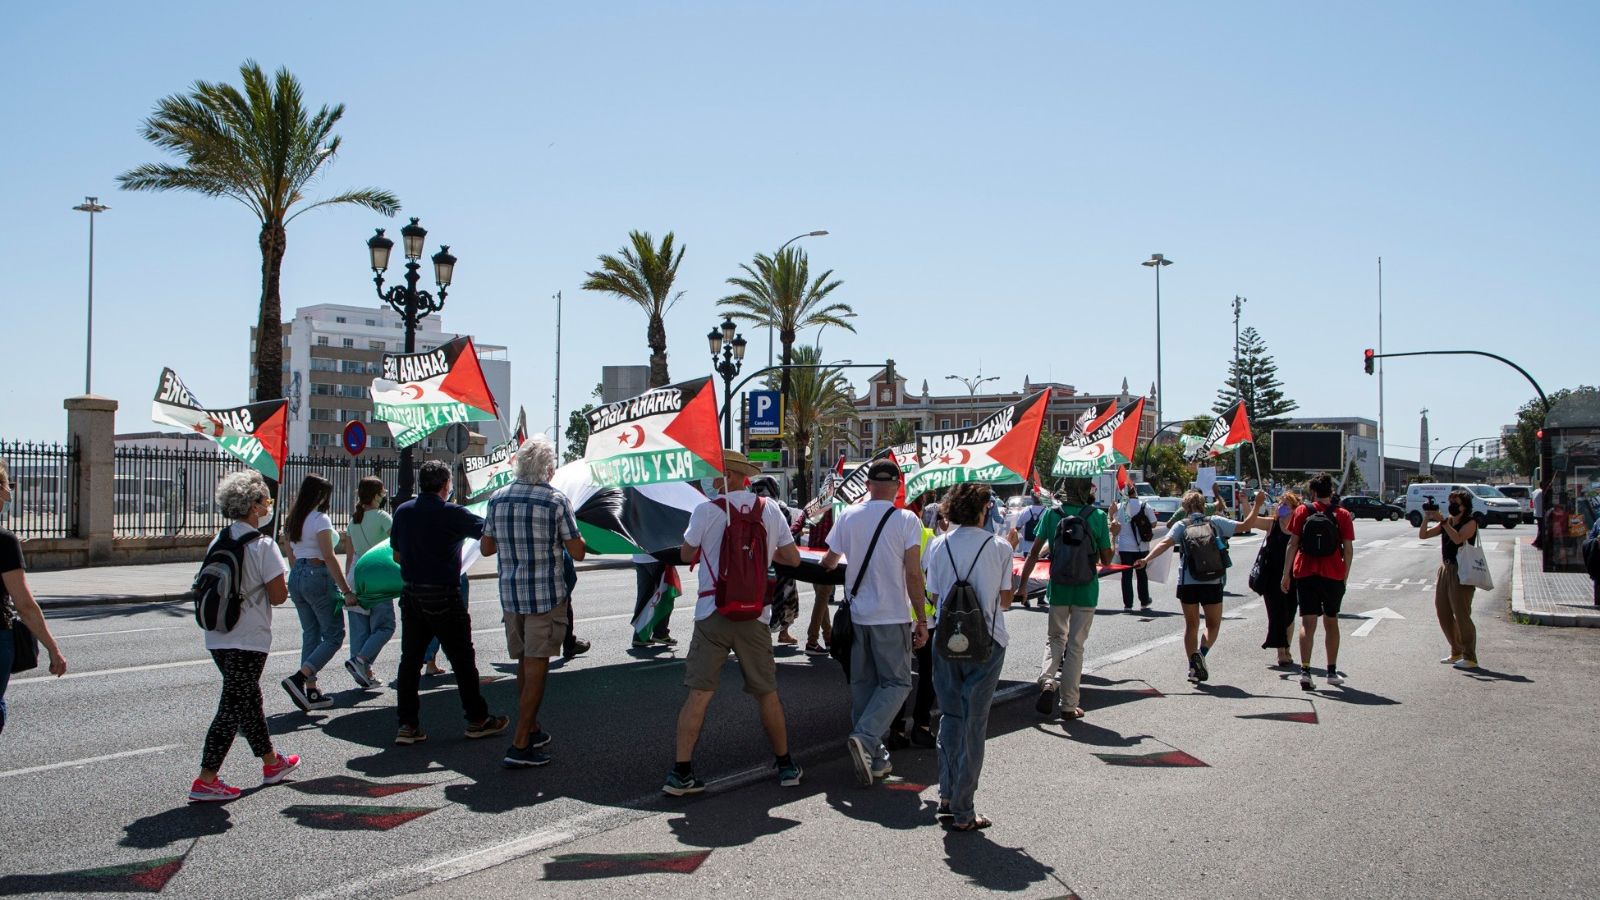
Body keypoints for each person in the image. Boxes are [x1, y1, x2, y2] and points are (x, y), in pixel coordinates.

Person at [664, 451, 803, 795]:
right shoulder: (770, 510)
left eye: (715, 473)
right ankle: (785, 765)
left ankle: (681, 773)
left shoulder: (706, 511)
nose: (712, 478)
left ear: (726, 476)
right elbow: (793, 558)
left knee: (699, 694)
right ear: (745, 478)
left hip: (713, 611)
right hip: (755, 614)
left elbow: (685, 554)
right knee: (767, 693)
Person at [189, 471, 298, 801]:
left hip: (217, 634)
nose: (268, 505)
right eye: (265, 500)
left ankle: (271, 762)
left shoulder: (219, 540)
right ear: (252, 506)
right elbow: (278, 595)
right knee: (232, 707)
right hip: (249, 637)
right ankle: (206, 779)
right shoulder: (263, 545)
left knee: (248, 699)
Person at [480, 436, 586, 769]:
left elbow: (486, 548)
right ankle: (520, 742)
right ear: (548, 468)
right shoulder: (555, 500)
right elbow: (578, 551)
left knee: (525, 664)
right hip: (545, 596)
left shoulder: (497, 499)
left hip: (511, 596)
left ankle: (533, 727)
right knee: (537, 667)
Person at [822, 459, 927, 786]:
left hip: (857, 616)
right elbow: (913, 573)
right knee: (897, 683)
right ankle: (866, 736)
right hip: (892, 615)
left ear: (867, 485)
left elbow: (828, 562)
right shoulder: (906, 519)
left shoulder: (848, 516)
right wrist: (921, 618)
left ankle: (876, 760)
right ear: (897, 487)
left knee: (864, 686)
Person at [390, 460, 509, 746]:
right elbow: (488, 535)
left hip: (412, 595)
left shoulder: (403, 512)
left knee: (410, 661)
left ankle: (407, 725)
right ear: (446, 485)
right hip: (444, 595)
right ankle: (477, 720)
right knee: (463, 661)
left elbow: (396, 556)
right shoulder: (453, 513)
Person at [924, 482, 1015, 831]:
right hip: (986, 641)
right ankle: (964, 809)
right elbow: (1005, 601)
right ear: (983, 510)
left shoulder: (938, 545)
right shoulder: (999, 547)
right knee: (974, 723)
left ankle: (946, 797)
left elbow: (934, 592)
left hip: (945, 639)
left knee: (950, 716)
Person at [1135, 489, 1268, 682]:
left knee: (1191, 626)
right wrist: (1258, 503)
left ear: (1185, 507)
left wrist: (1146, 559)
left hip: (1188, 582)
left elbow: (1165, 543)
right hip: (1213, 581)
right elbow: (1247, 525)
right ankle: (1201, 655)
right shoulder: (1216, 522)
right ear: (1203, 506)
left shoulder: (1182, 524)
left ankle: (1192, 667)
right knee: (1213, 624)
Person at [1018, 478, 1111, 719]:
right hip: (1086, 590)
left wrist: (1023, 586)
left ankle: (1048, 680)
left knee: (1055, 639)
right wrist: (1113, 530)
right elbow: (1107, 559)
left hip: (1058, 588)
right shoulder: (1098, 517)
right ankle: (1069, 705)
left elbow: (1034, 554)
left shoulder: (1051, 515)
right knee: (1076, 647)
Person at [0, 459, 67, 736]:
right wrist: (53, 648)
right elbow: (25, 605)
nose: (9, 494)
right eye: (7, 486)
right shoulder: (3, 542)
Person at [280, 473, 355, 711]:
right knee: (334, 635)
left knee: (310, 633)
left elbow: (291, 555)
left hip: (298, 576)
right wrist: (346, 590)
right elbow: (328, 556)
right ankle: (300, 678)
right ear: (321, 495)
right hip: (317, 574)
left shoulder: (293, 519)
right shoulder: (320, 519)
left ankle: (310, 690)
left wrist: (300, 575)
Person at [1280, 475, 1356, 689]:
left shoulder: (1303, 511)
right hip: (1333, 574)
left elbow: (1292, 545)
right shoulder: (1342, 514)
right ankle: (1331, 672)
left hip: (1305, 572)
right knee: (1331, 621)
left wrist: (1286, 574)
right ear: (1330, 491)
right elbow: (1348, 549)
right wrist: (1345, 575)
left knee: (1307, 622)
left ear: (1313, 492)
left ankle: (1305, 671)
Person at [1420, 487, 1481, 670]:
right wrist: (1427, 516)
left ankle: (1470, 656)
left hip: (1461, 570)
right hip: (1445, 568)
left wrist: (1444, 522)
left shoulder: (1470, 522)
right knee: (1443, 611)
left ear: (1465, 507)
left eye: (1456, 503)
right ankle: (1456, 651)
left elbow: (1458, 539)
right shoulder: (1447, 521)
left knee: (1461, 614)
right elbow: (1423, 535)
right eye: (1451, 502)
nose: (1452, 506)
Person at [343, 476, 394, 689]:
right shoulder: (383, 517)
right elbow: (397, 545)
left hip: (357, 576)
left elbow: (348, 555)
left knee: (360, 627)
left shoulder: (353, 521)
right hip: (379, 576)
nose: (384, 496)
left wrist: (347, 587)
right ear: (375, 495)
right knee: (385, 625)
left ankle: (363, 672)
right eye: (382, 492)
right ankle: (361, 660)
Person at [1256, 491, 1301, 667]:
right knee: (1276, 614)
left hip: (1293, 575)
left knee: (1289, 614)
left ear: (1294, 508)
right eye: (1280, 502)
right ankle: (1281, 652)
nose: (1281, 506)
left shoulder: (1299, 526)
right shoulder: (1272, 524)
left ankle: (1287, 648)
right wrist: (1252, 504)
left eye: (1286, 504)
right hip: (1272, 577)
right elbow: (1251, 522)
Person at [1113, 484, 1157, 611]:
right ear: (1135, 491)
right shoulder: (1144, 505)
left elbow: (1114, 524)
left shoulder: (1120, 507)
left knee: (1126, 576)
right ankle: (1144, 601)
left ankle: (1128, 604)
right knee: (1141, 574)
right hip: (1141, 546)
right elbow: (1154, 524)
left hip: (1124, 547)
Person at [804, 507, 835, 656]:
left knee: (821, 598)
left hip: (812, 557)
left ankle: (828, 638)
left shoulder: (815, 505)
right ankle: (812, 640)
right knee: (823, 597)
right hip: (828, 558)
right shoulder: (837, 509)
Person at [630, 554, 675, 648]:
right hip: (657, 556)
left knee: (644, 597)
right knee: (664, 596)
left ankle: (639, 636)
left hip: (639, 557)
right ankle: (660, 633)